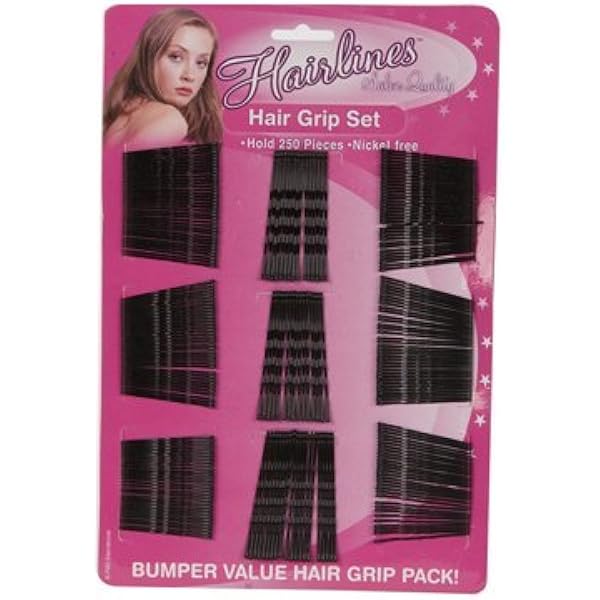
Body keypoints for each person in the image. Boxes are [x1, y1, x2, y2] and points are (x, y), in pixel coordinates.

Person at [104, 8, 223, 148]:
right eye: (176, 57)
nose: (190, 76)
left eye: (201, 63)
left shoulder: (126, 110)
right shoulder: (170, 121)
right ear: (149, 57)